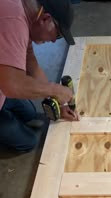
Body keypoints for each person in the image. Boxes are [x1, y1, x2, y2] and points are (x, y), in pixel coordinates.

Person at [0, 0, 79, 152]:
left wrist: (57, 101)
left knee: (29, 113)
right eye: (58, 33)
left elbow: (32, 66)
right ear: (46, 18)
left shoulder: (27, 18)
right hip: (5, 84)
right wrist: (55, 90)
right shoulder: (14, 23)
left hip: (3, 83)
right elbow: (12, 85)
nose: (55, 40)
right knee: (28, 142)